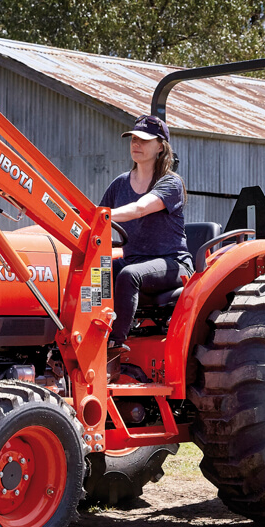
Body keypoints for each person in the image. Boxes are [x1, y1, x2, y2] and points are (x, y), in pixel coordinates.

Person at [100, 115, 192, 352]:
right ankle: (89, 330)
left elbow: (139, 209)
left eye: (144, 140)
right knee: (97, 270)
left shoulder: (171, 183)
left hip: (172, 263)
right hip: (134, 259)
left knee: (130, 275)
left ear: (160, 146)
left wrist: (103, 215)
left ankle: (114, 345)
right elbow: (99, 217)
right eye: (133, 139)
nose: (136, 144)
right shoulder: (120, 184)